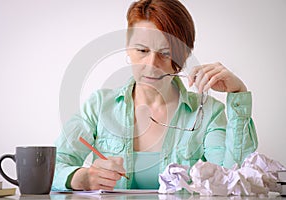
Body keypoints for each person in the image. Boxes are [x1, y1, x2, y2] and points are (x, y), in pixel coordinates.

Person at [52, 0, 258, 191]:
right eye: (142, 50)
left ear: (183, 55)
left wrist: (237, 93)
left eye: (165, 53)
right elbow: (52, 167)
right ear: (128, 49)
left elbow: (234, 182)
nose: (151, 65)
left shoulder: (209, 112)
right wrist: (81, 178)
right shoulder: (99, 106)